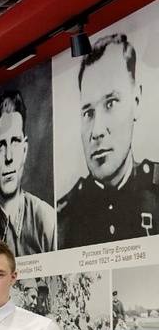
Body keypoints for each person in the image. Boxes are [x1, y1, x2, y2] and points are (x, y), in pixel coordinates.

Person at [57, 33, 158, 248]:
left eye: (110, 103)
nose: (96, 131)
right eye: (88, 113)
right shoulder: (63, 221)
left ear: (136, 102)